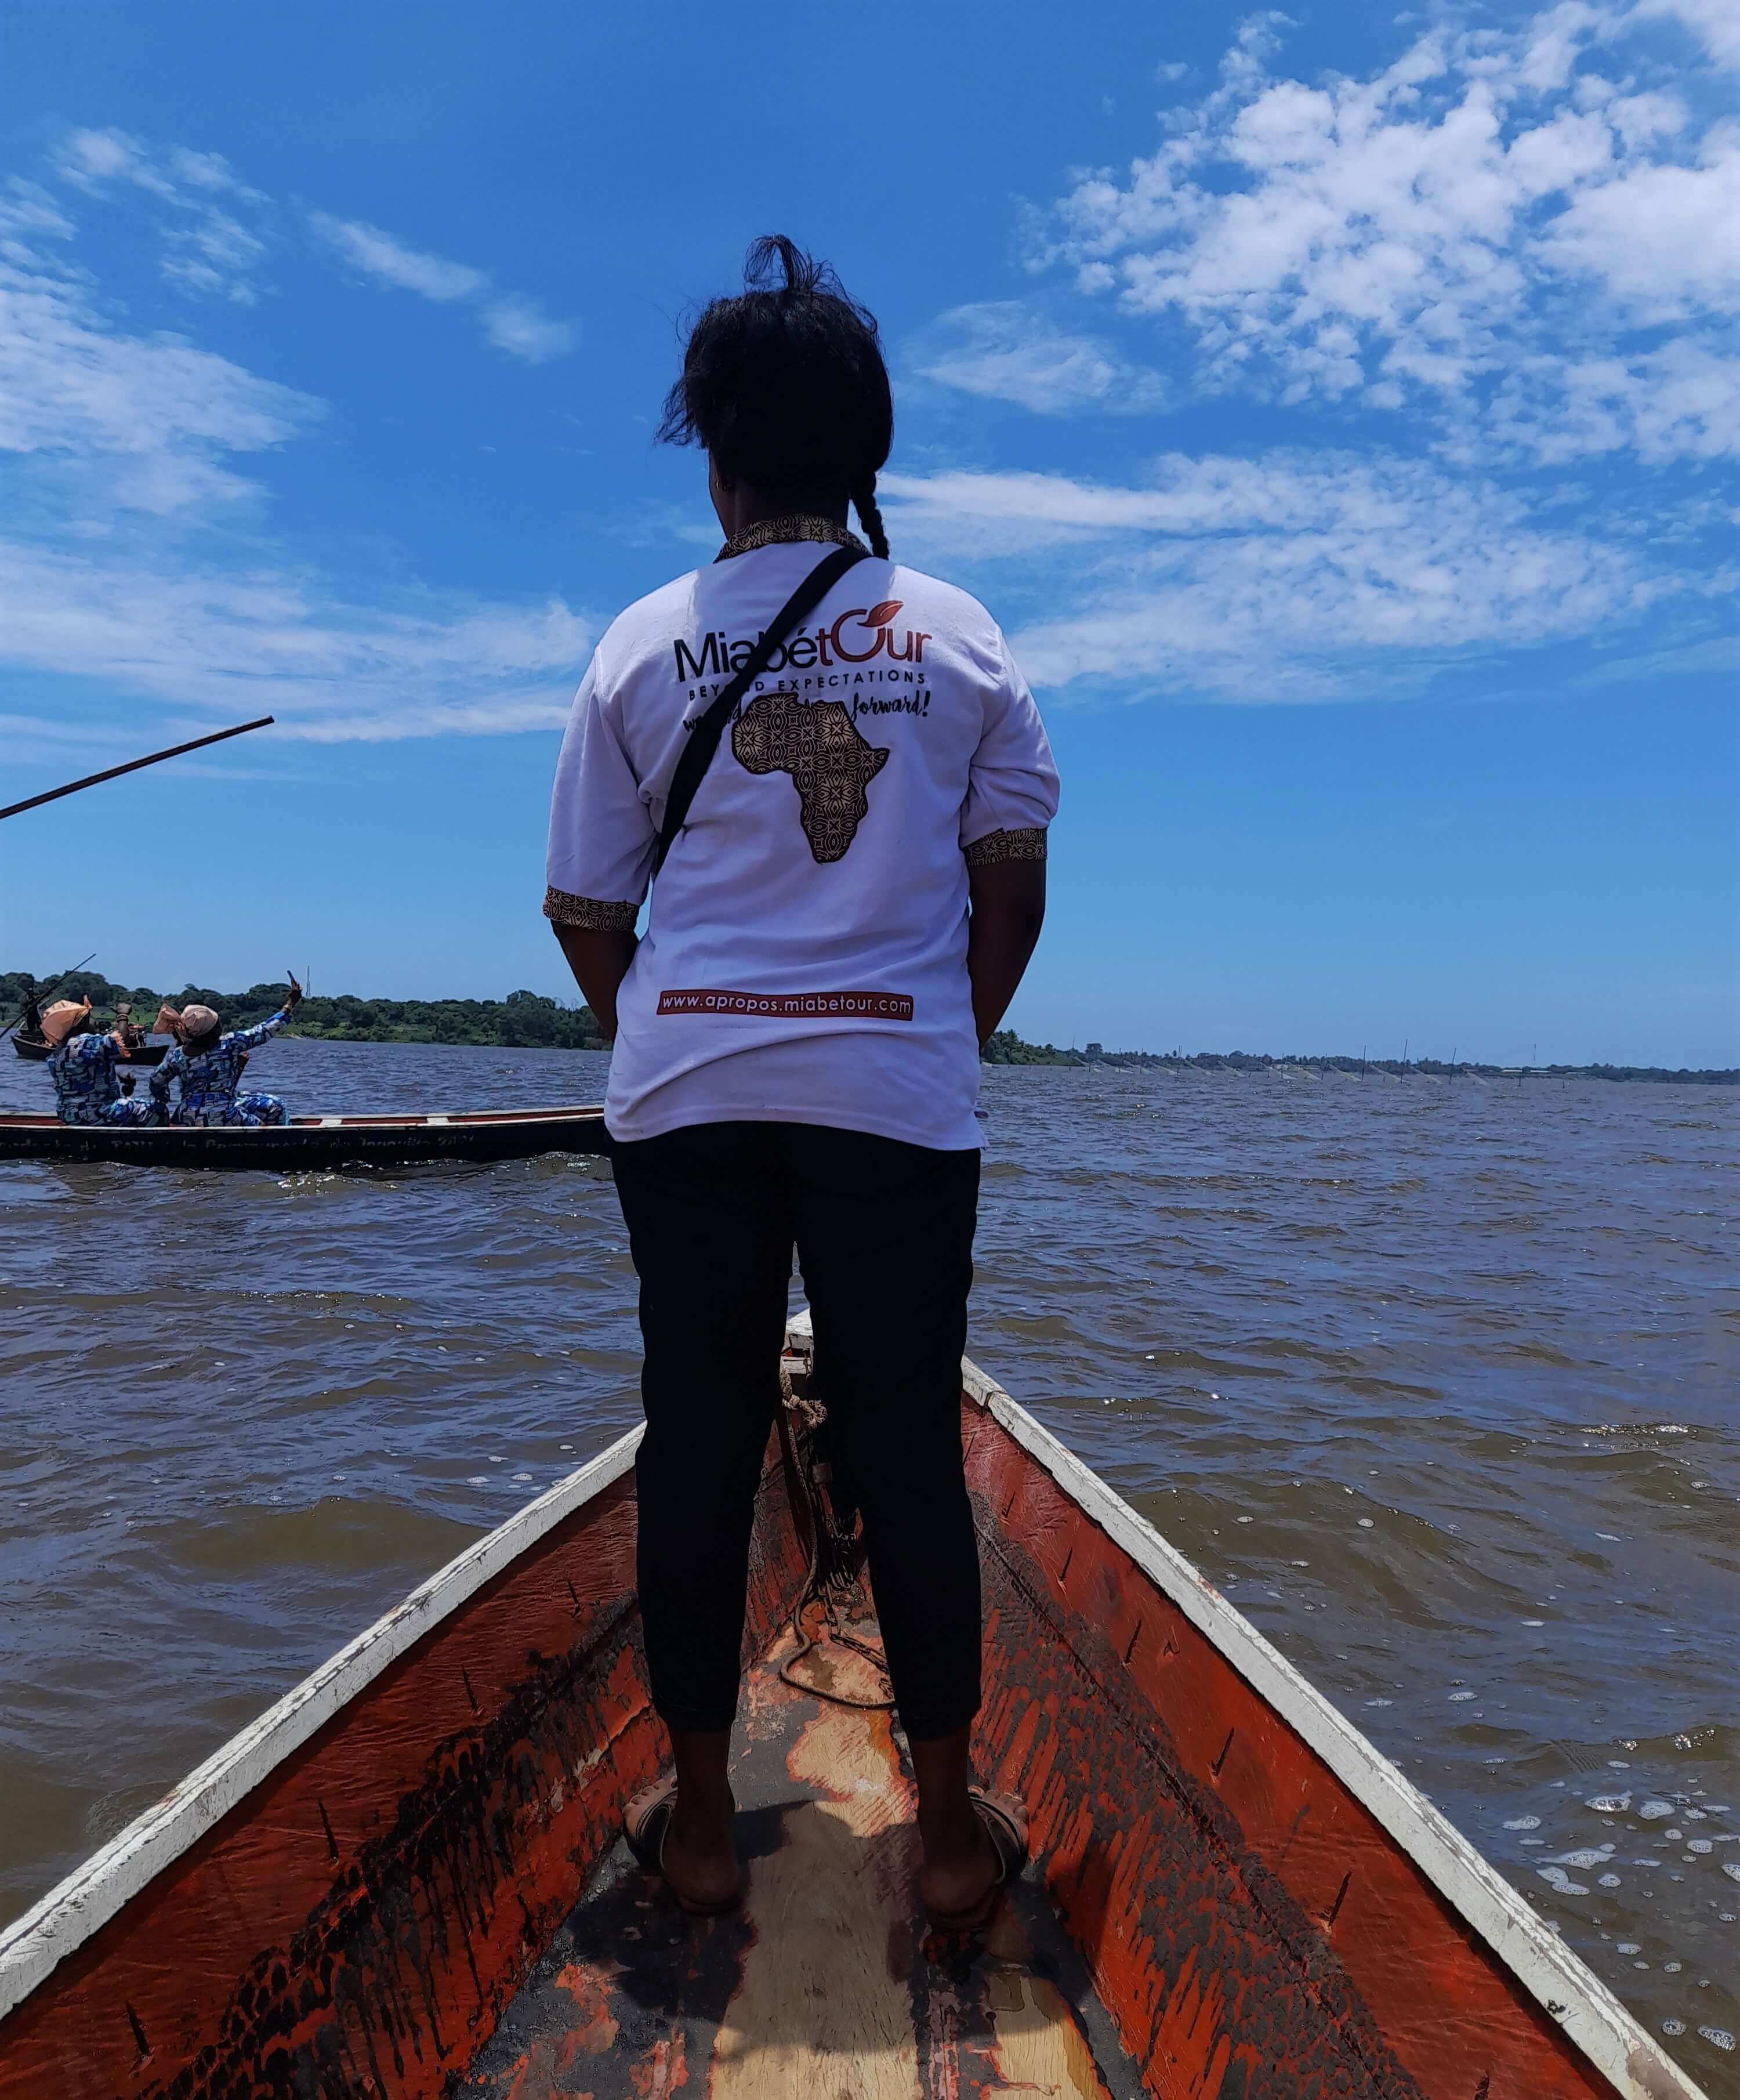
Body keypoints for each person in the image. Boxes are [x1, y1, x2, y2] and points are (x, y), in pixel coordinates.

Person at [544, 237, 1057, 1927]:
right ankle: (953, 1834)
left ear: (715, 454)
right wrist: (935, 1036)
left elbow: (582, 902)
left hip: (685, 1099)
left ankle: (698, 1822)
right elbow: (1008, 881)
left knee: (694, 1440)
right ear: (869, 452)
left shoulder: (639, 642)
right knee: (905, 1448)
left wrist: (663, 1034)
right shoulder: (958, 630)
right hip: (894, 1104)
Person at [150, 980, 302, 1126]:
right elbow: (264, 1030)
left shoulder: (177, 1057)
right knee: (275, 1107)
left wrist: (163, 1099)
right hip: (225, 1114)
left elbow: (156, 1081)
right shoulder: (229, 1044)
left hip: (186, 1115)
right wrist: (290, 1004)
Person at [39, 1000, 155, 1125]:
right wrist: (123, 1015)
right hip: (96, 1112)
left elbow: (82, 1075)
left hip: (68, 1114)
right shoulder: (84, 1042)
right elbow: (122, 1040)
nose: (95, 1022)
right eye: (91, 1018)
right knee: (156, 1109)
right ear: (82, 1022)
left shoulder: (56, 1053)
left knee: (125, 1104)